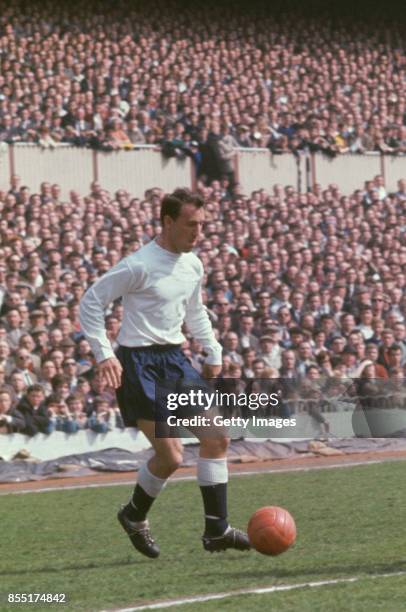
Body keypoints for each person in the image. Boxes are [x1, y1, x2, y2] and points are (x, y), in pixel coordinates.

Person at [79, 188, 250, 558]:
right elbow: (91, 301)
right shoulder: (138, 264)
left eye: (202, 225)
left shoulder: (193, 264)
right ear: (167, 221)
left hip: (174, 360)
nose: (198, 233)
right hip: (139, 365)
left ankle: (216, 530)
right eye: (191, 225)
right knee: (171, 457)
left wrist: (214, 349)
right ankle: (133, 515)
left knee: (217, 436)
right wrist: (105, 354)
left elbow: (194, 310)